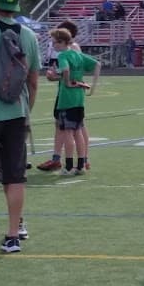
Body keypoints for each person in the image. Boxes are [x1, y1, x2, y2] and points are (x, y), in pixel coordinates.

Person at [0, 0, 41, 253]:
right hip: (16, 112)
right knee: (15, 176)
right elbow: (33, 82)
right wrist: (27, 111)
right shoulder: (29, 36)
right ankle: (14, 234)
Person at [37, 20, 92, 173]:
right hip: (70, 91)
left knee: (73, 128)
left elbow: (71, 72)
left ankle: (71, 161)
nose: (54, 43)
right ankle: (75, 160)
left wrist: (54, 76)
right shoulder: (72, 50)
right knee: (72, 126)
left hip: (68, 93)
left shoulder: (71, 50)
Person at [48, 28, 101, 176]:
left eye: (54, 42)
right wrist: (93, 87)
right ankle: (81, 165)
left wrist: (66, 82)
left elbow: (65, 70)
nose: (53, 45)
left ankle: (69, 166)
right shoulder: (77, 55)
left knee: (67, 133)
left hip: (67, 99)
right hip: (79, 98)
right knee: (78, 132)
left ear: (62, 42)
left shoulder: (63, 55)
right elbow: (97, 64)